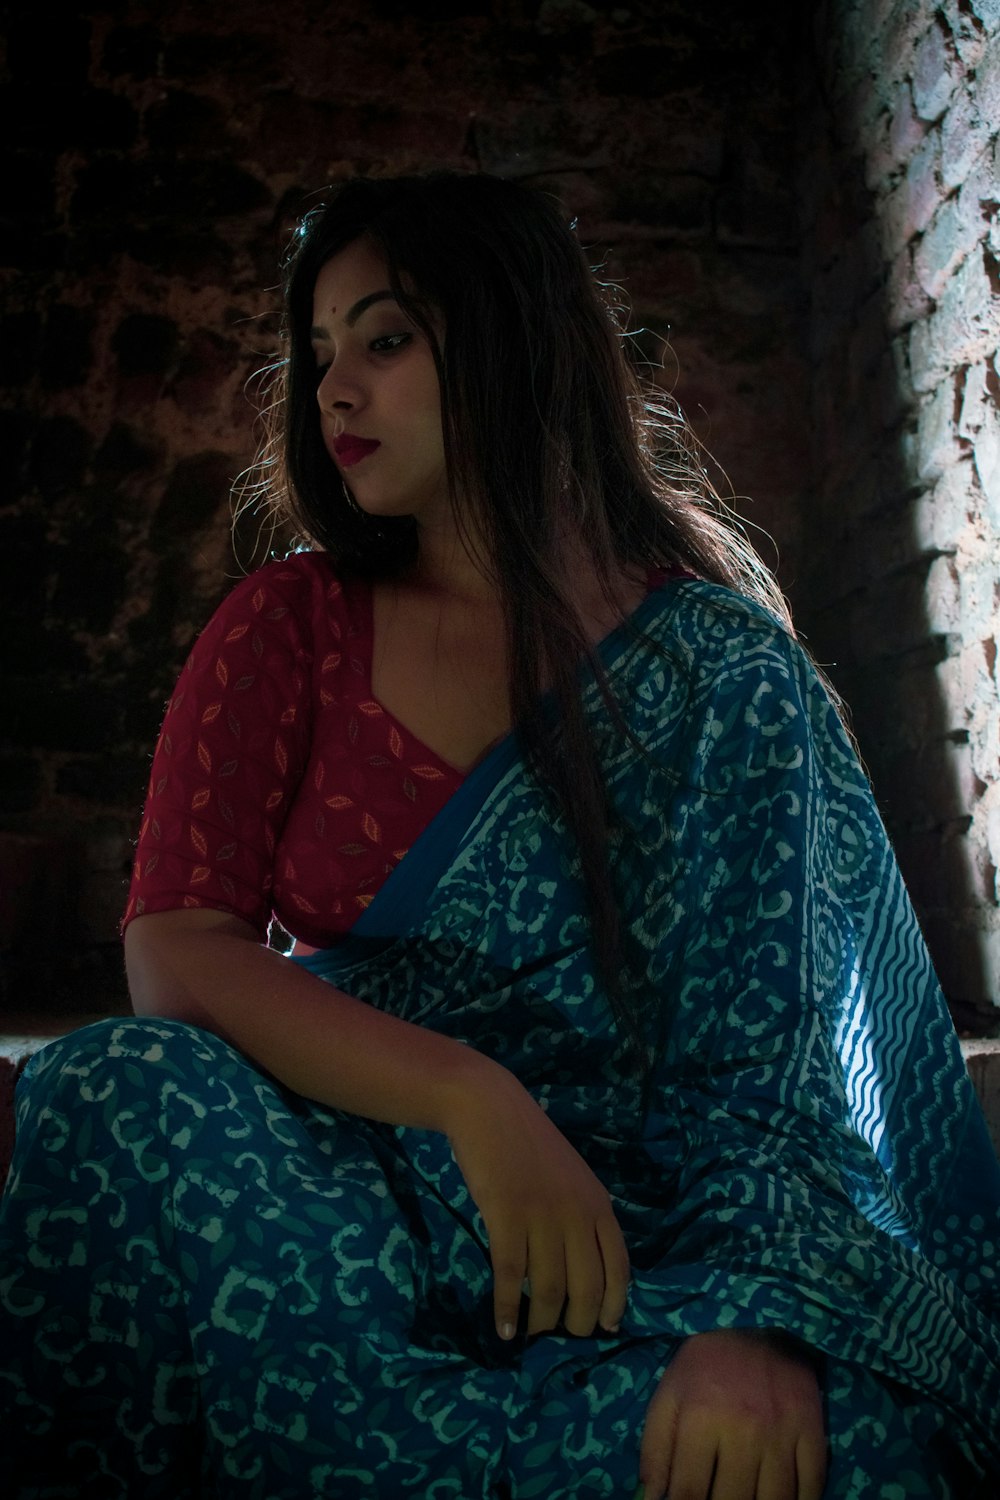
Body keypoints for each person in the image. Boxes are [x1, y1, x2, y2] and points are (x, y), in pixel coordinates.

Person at [1, 171, 998, 1500]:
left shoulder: (722, 676)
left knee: (846, 1461)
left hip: (636, 1233)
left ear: (516, 336)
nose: (334, 388)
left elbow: (777, 1072)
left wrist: (750, 1326)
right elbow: (177, 950)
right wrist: (472, 1100)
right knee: (110, 1091)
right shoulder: (288, 628)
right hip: (351, 1198)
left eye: (386, 338)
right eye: (319, 355)